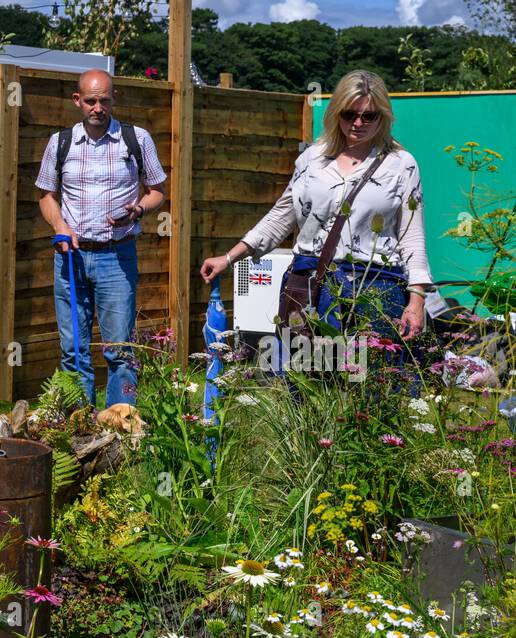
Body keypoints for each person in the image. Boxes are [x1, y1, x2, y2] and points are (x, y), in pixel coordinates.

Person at [199, 70, 435, 376]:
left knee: (373, 389)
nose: (358, 123)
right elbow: (280, 217)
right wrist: (229, 257)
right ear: (336, 112)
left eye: (369, 116)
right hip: (311, 287)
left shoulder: (401, 165)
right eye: (350, 114)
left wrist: (416, 300)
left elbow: (412, 237)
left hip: (374, 288)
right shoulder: (312, 160)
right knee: (311, 386)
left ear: (383, 117)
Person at [36, 69, 167, 408]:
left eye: (104, 101)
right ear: (77, 101)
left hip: (116, 256)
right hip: (71, 257)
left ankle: (121, 431)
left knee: (120, 350)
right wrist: (59, 227)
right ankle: (80, 428)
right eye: (91, 101)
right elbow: (46, 196)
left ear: (114, 99)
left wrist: (137, 210)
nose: (98, 107)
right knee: (73, 349)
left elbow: (157, 193)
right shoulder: (60, 142)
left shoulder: (136, 138)